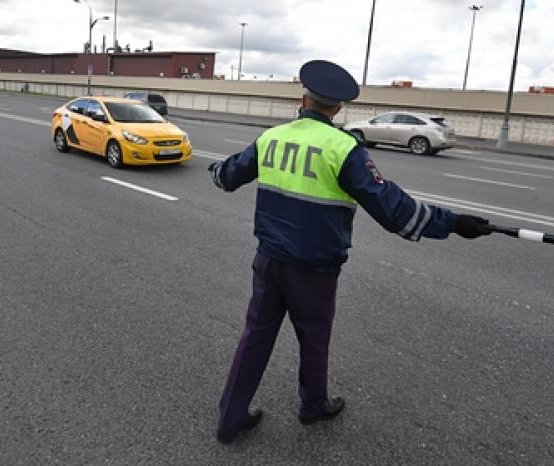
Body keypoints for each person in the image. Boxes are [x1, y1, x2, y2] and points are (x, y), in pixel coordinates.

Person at [208, 59, 492, 444]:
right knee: (314, 338)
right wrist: (454, 223)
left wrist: (216, 171)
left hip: (270, 260)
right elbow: (394, 209)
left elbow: (230, 174)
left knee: (255, 335)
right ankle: (313, 406)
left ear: (303, 98)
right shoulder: (344, 149)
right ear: (338, 107)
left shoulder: (272, 137)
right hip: (314, 269)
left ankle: (231, 419)